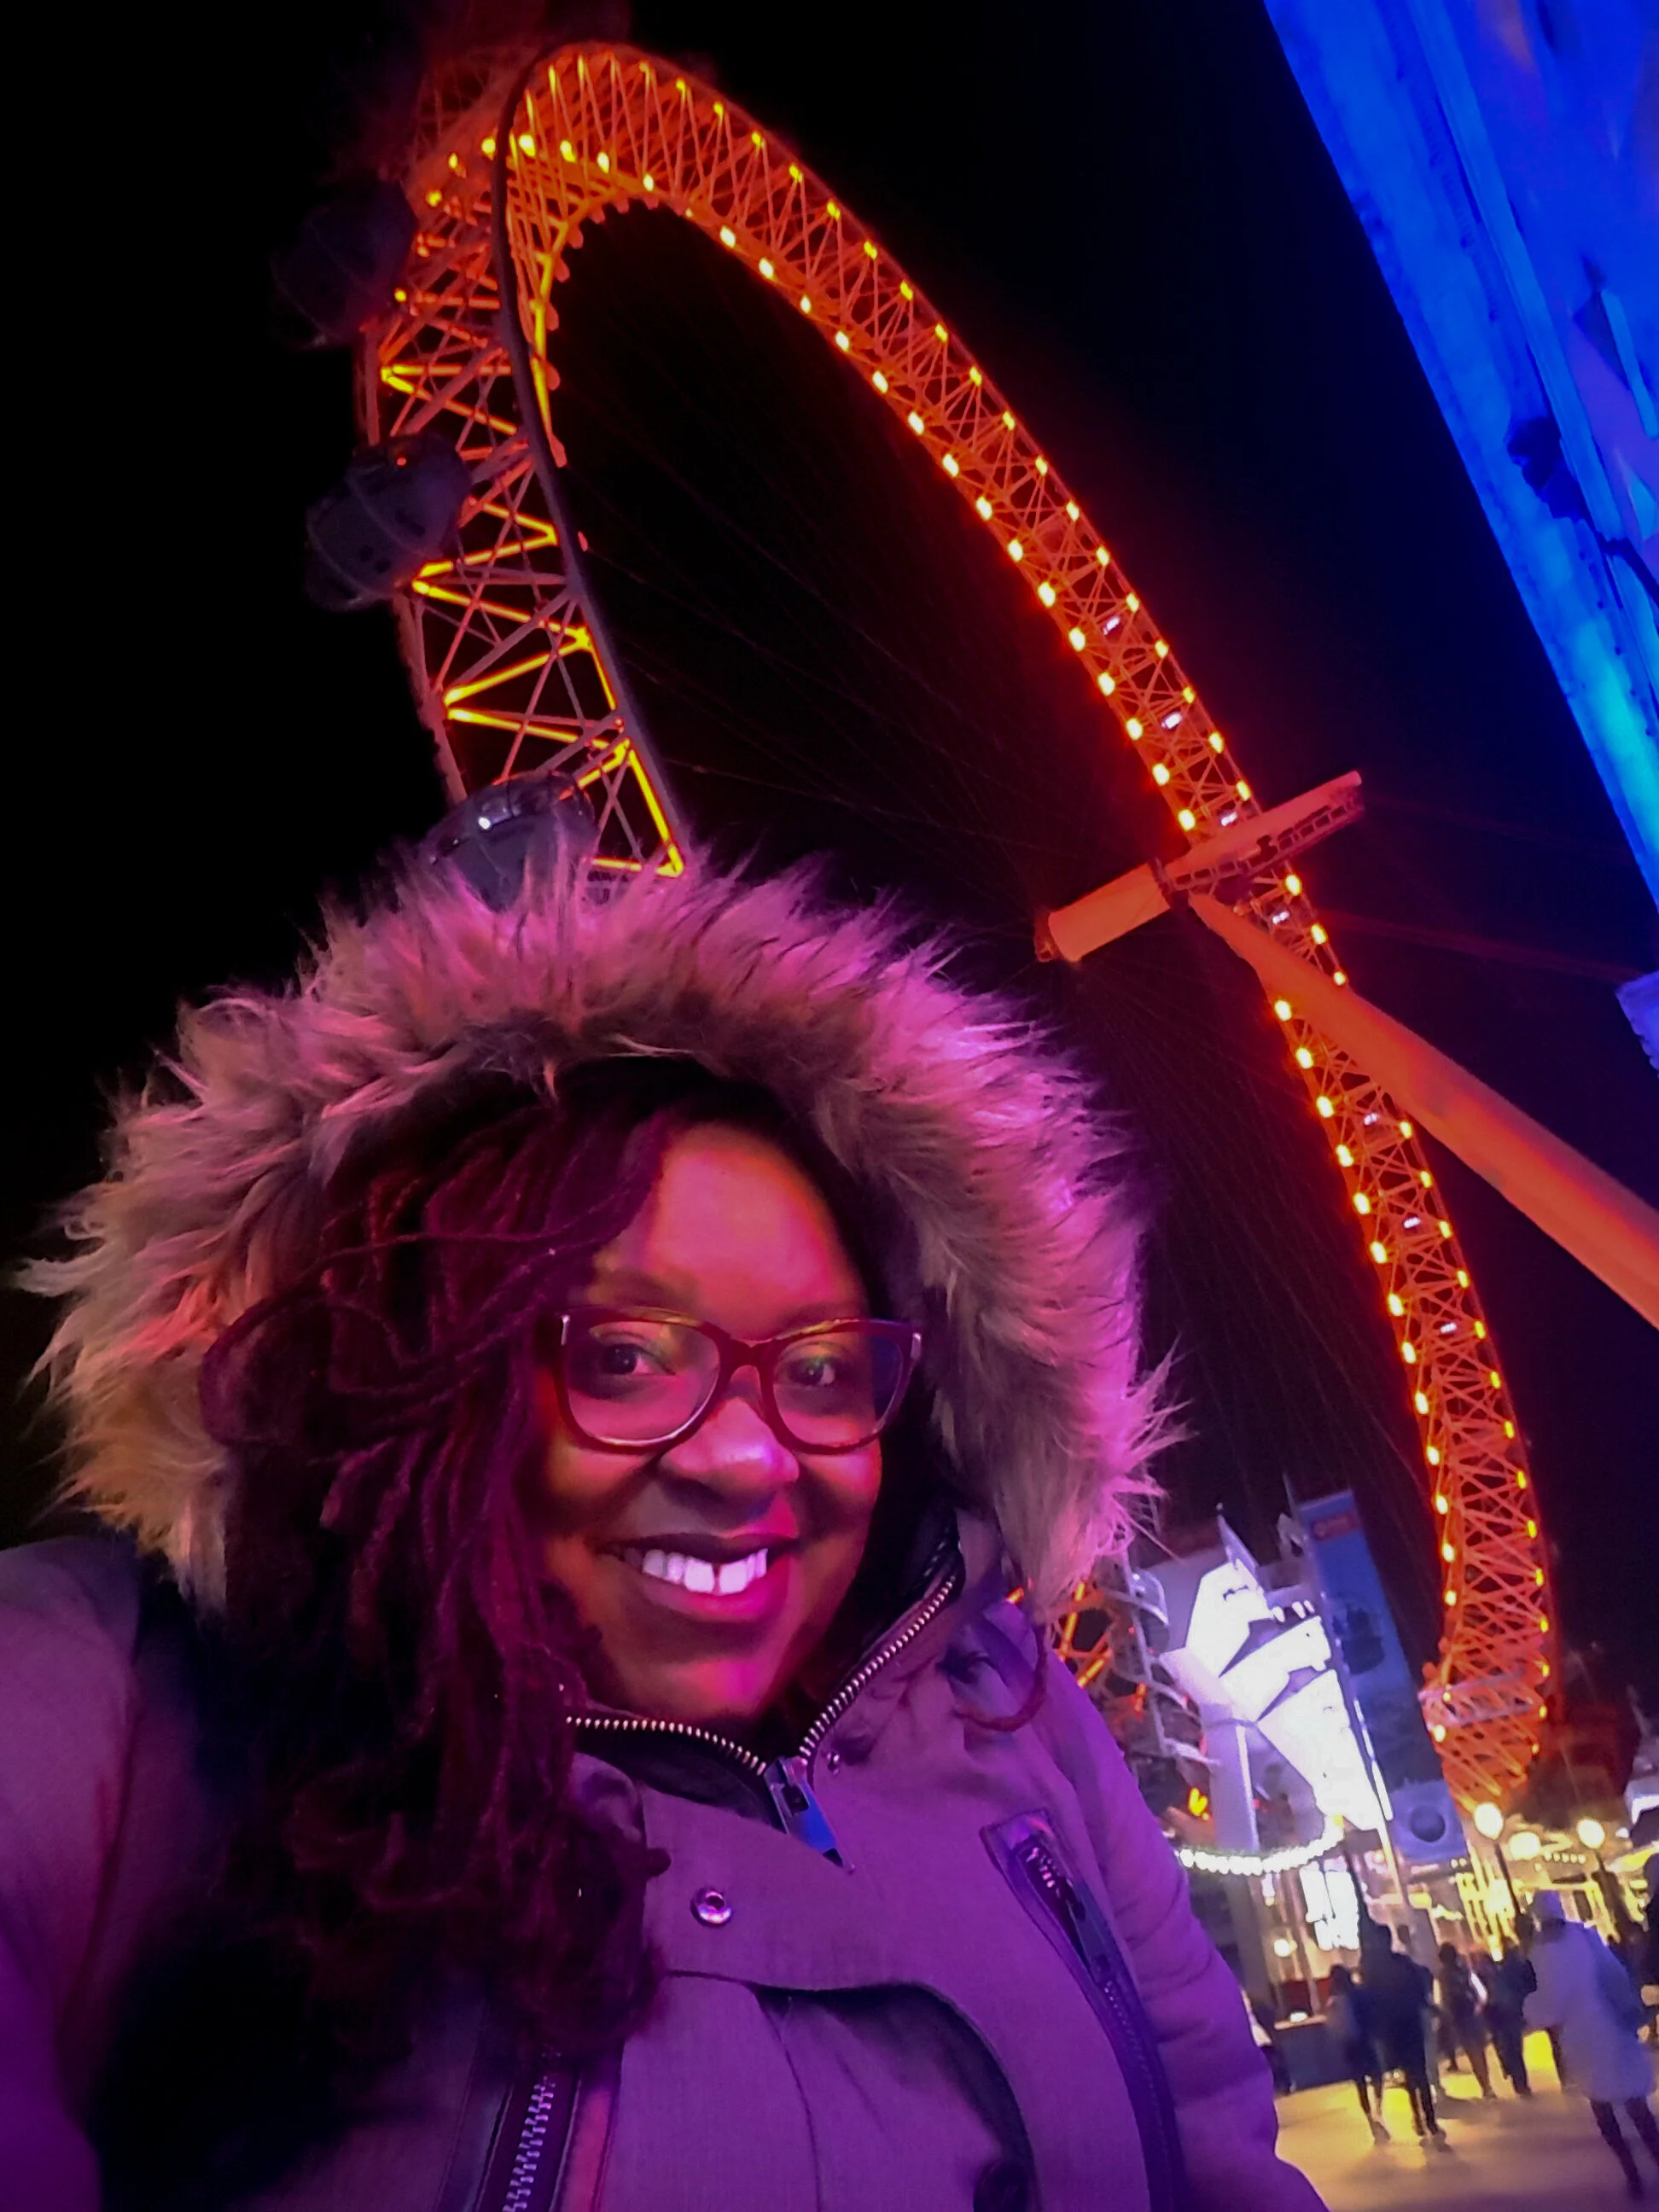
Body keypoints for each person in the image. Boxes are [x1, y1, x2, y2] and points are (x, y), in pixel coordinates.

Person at [0, 827, 1330, 2212]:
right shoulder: (135, 1700)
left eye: (820, 1371)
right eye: (623, 1357)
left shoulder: (1013, 1712)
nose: (749, 1457)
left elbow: (1218, 2155)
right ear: (416, 1368)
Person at [1525, 1890, 1659, 2198]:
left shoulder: (1540, 1952)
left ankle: (1633, 2175)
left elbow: (1549, 2003)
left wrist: (1533, 2013)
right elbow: (1613, 1973)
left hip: (1580, 2037)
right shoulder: (1586, 1937)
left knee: (1603, 2106)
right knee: (1635, 2104)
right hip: (1610, 2027)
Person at [1360, 1924, 1450, 2147]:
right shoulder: (1398, 1964)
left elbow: (1371, 1999)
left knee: (1414, 2074)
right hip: (1405, 2024)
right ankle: (1425, 2119)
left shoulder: (1374, 1968)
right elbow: (1418, 1988)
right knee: (1415, 2073)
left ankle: (1424, 2118)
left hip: (1399, 2026)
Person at [1324, 1964, 1387, 2142]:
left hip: (1349, 2046)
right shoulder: (1359, 1993)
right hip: (1365, 2041)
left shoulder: (1333, 1999)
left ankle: (1370, 2119)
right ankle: (1378, 2110)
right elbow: (1371, 2015)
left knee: (1359, 2083)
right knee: (1377, 2075)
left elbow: (1332, 2027)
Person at [1436, 1942, 1498, 2098]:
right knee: (1480, 2051)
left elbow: (1443, 2000)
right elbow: (1480, 1991)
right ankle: (1487, 2084)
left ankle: (1485, 2087)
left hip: (1459, 2018)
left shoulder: (1443, 1976)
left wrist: (1446, 2017)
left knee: (1472, 2052)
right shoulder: (1464, 1970)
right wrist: (1480, 2006)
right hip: (1473, 2013)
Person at [1482, 1939, 1536, 2095]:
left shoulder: (1501, 1971)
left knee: (1510, 2048)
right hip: (1508, 2014)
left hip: (1501, 2015)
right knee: (1515, 2049)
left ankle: (1517, 2078)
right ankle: (1521, 2083)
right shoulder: (1513, 1968)